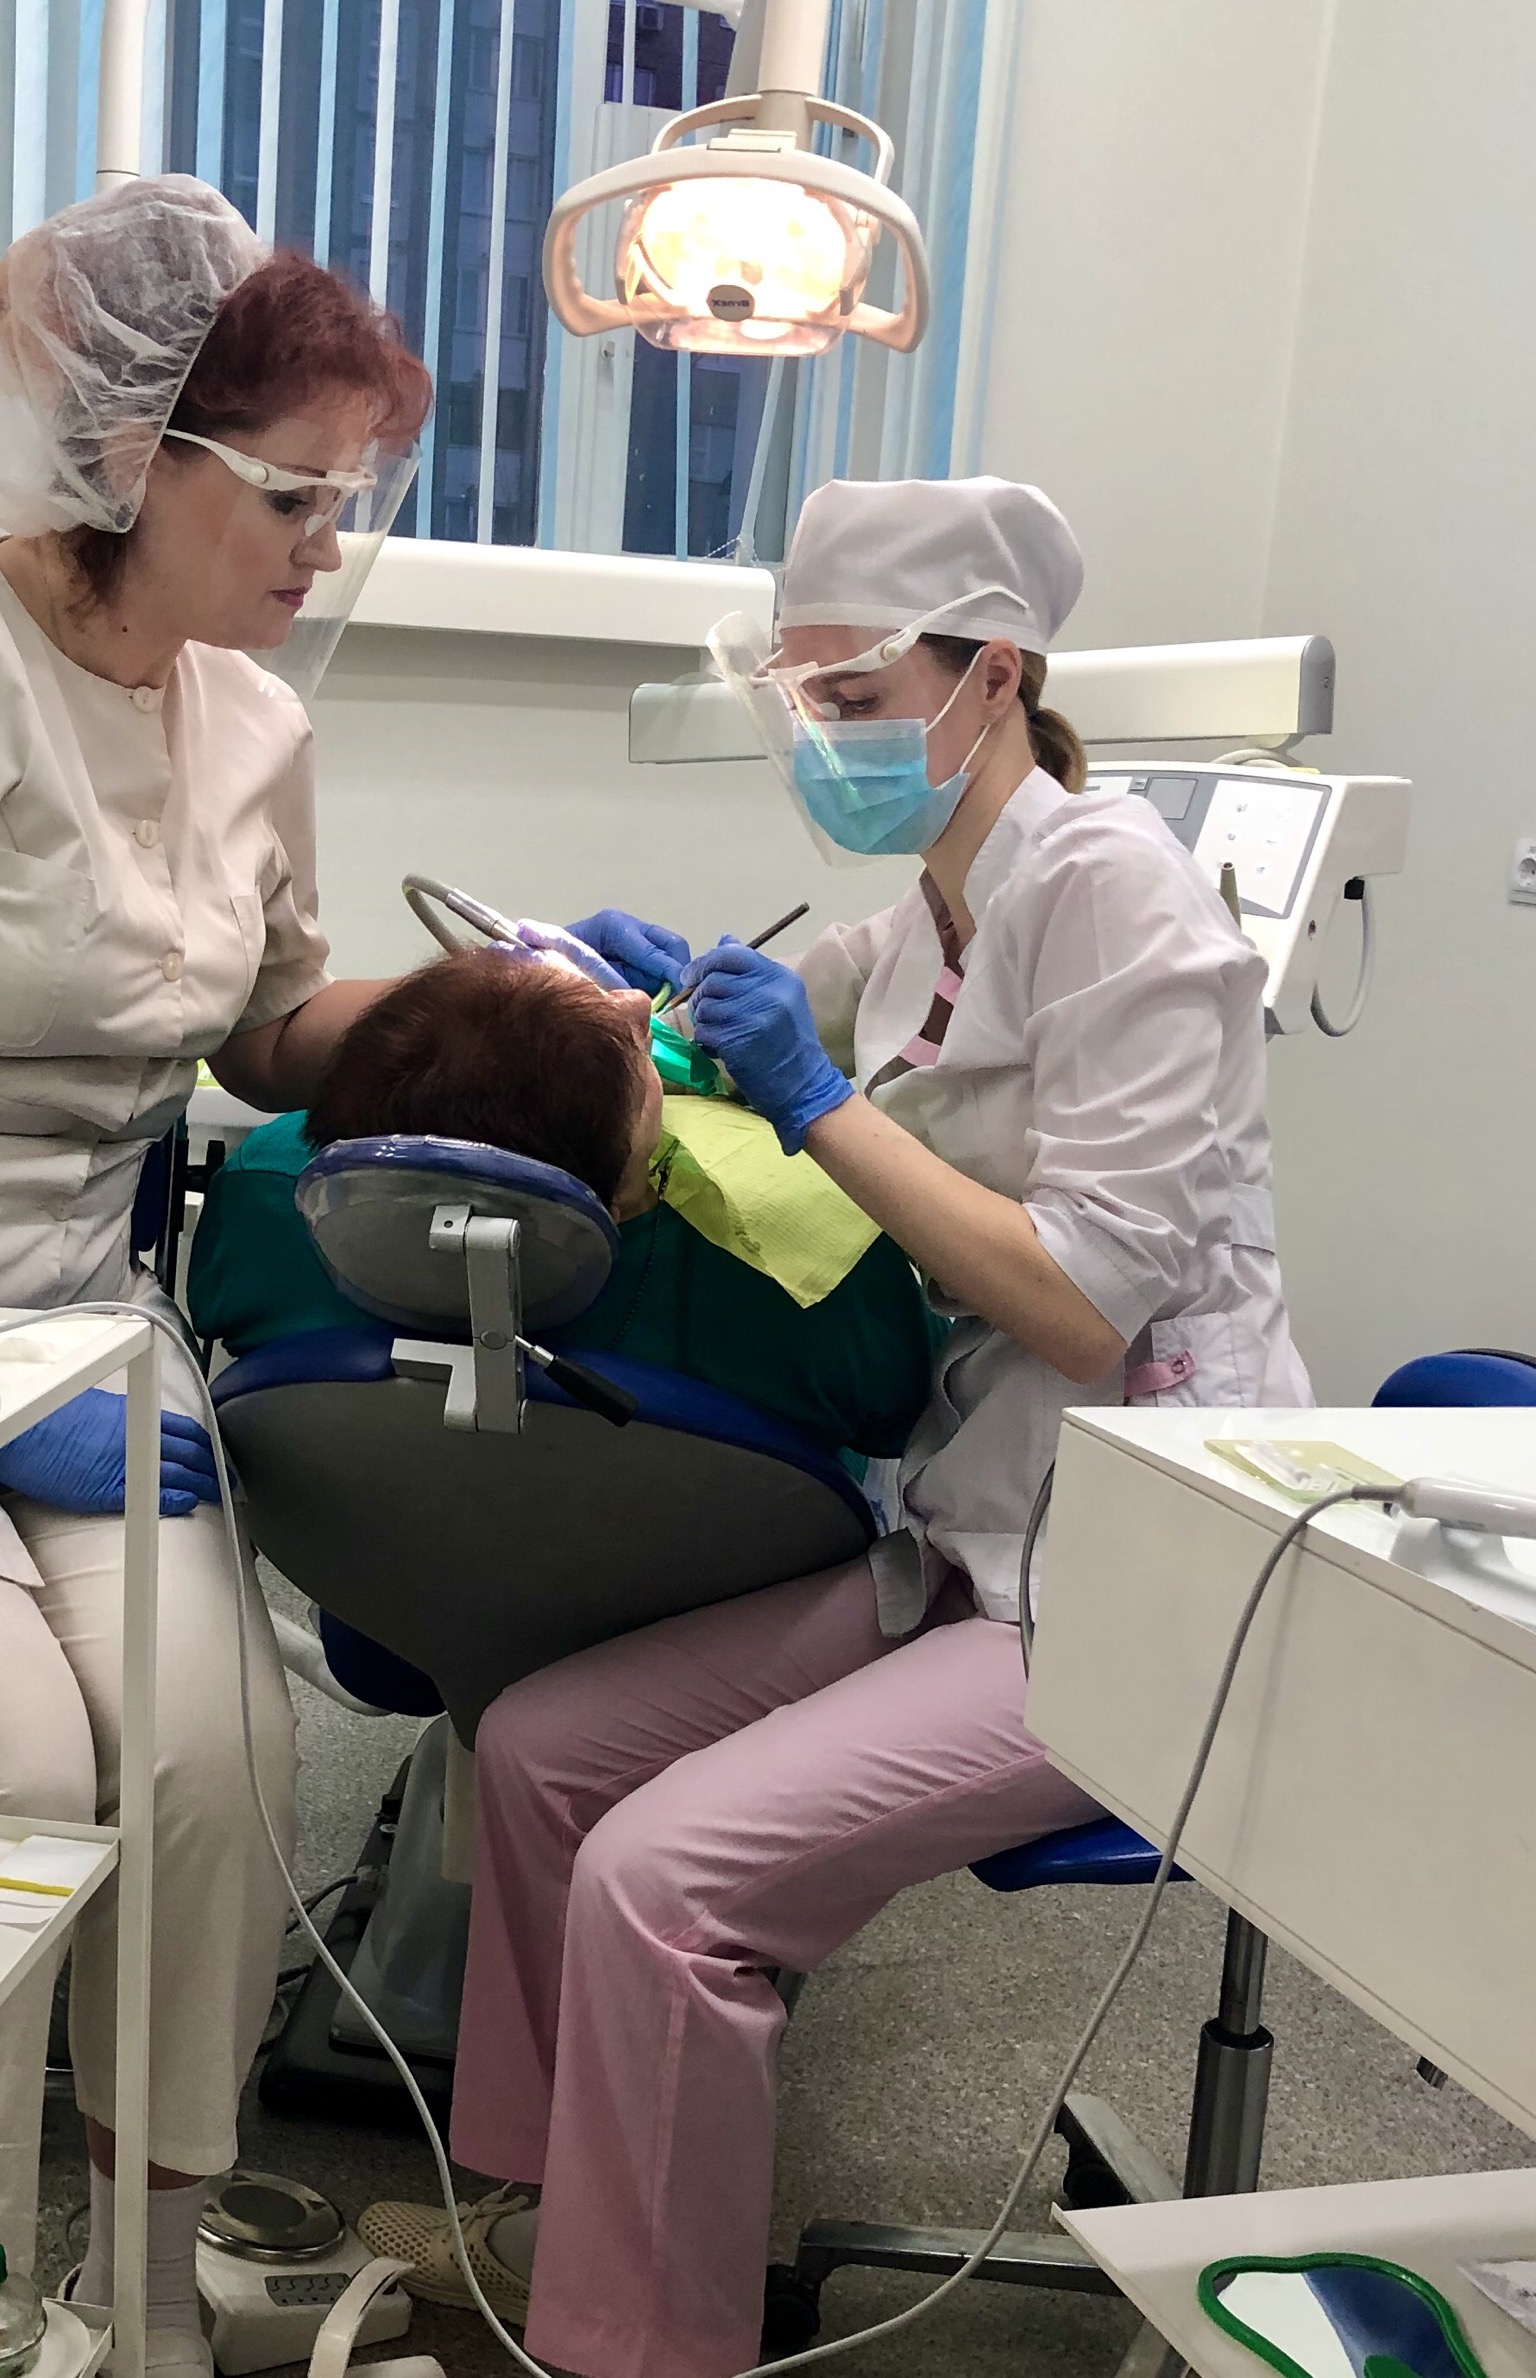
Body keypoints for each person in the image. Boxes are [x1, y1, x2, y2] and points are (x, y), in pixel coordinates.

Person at [361, 476, 1312, 2378]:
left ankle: (640, 2341)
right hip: (977, 1524)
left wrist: (811, 1099)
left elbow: (1080, 1300)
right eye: (800, 697)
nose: (823, 736)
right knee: (540, 1749)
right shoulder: (930, 916)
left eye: (856, 693)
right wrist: (638, 999)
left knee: (668, 1877)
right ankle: (556, 2215)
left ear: (995, 675)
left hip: (1141, 1580)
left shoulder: (1116, 893)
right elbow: (754, 1025)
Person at [0, 174, 684, 2374]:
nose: (324, 547)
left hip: (85, 1328)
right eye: (291, 497)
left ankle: (139, 2291)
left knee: (213, 1764)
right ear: (132, 456)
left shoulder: (253, 725)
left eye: (349, 502)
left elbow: (267, 1028)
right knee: (24, 1781)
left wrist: (498, 1007)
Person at [187, 947, 939, 1456]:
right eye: (628, 1052)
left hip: (384, 1588)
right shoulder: (813, 1261)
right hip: (723, 1605)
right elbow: (900, 1416)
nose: (635, 1003)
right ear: (621, 1197)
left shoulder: (265, 1189)